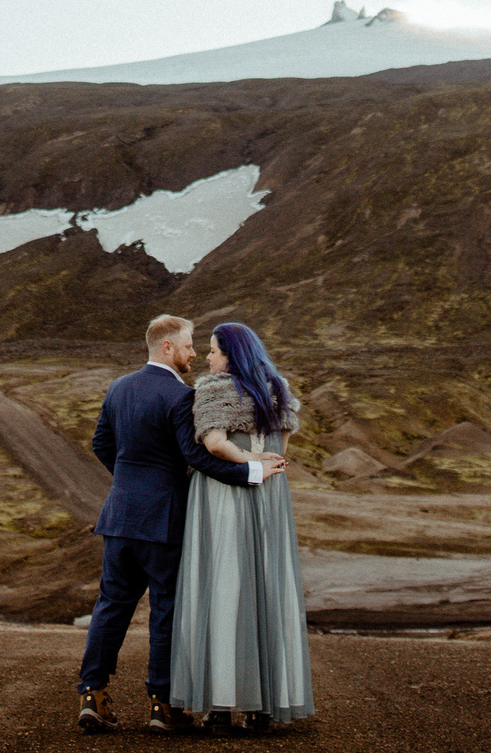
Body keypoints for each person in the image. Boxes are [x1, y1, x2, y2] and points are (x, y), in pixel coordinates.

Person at [77, 313, 285, 735]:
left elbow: (102, 443)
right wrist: (251, 472)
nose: (194, 353)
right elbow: (198, 457)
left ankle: (92, 696)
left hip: (119, 517)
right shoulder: (180, 396)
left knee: (110, 607)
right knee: (166, 613)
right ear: (167, 347)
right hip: (164, 521)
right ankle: (162, 707)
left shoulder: (119, 387)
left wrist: (131, 483)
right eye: (190, 344)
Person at [169, 321, 314, 731]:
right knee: (266, 590)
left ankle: (219, 705)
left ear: (230, 354)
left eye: (213, 351)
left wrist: (246, 465)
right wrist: (264, 463)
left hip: (223, 499)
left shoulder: (214, 389)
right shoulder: (277, 388)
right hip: (270, 501)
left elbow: (214, 444)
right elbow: (281, 449)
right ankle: (262, 707)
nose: (209, 358)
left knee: (223, 590)